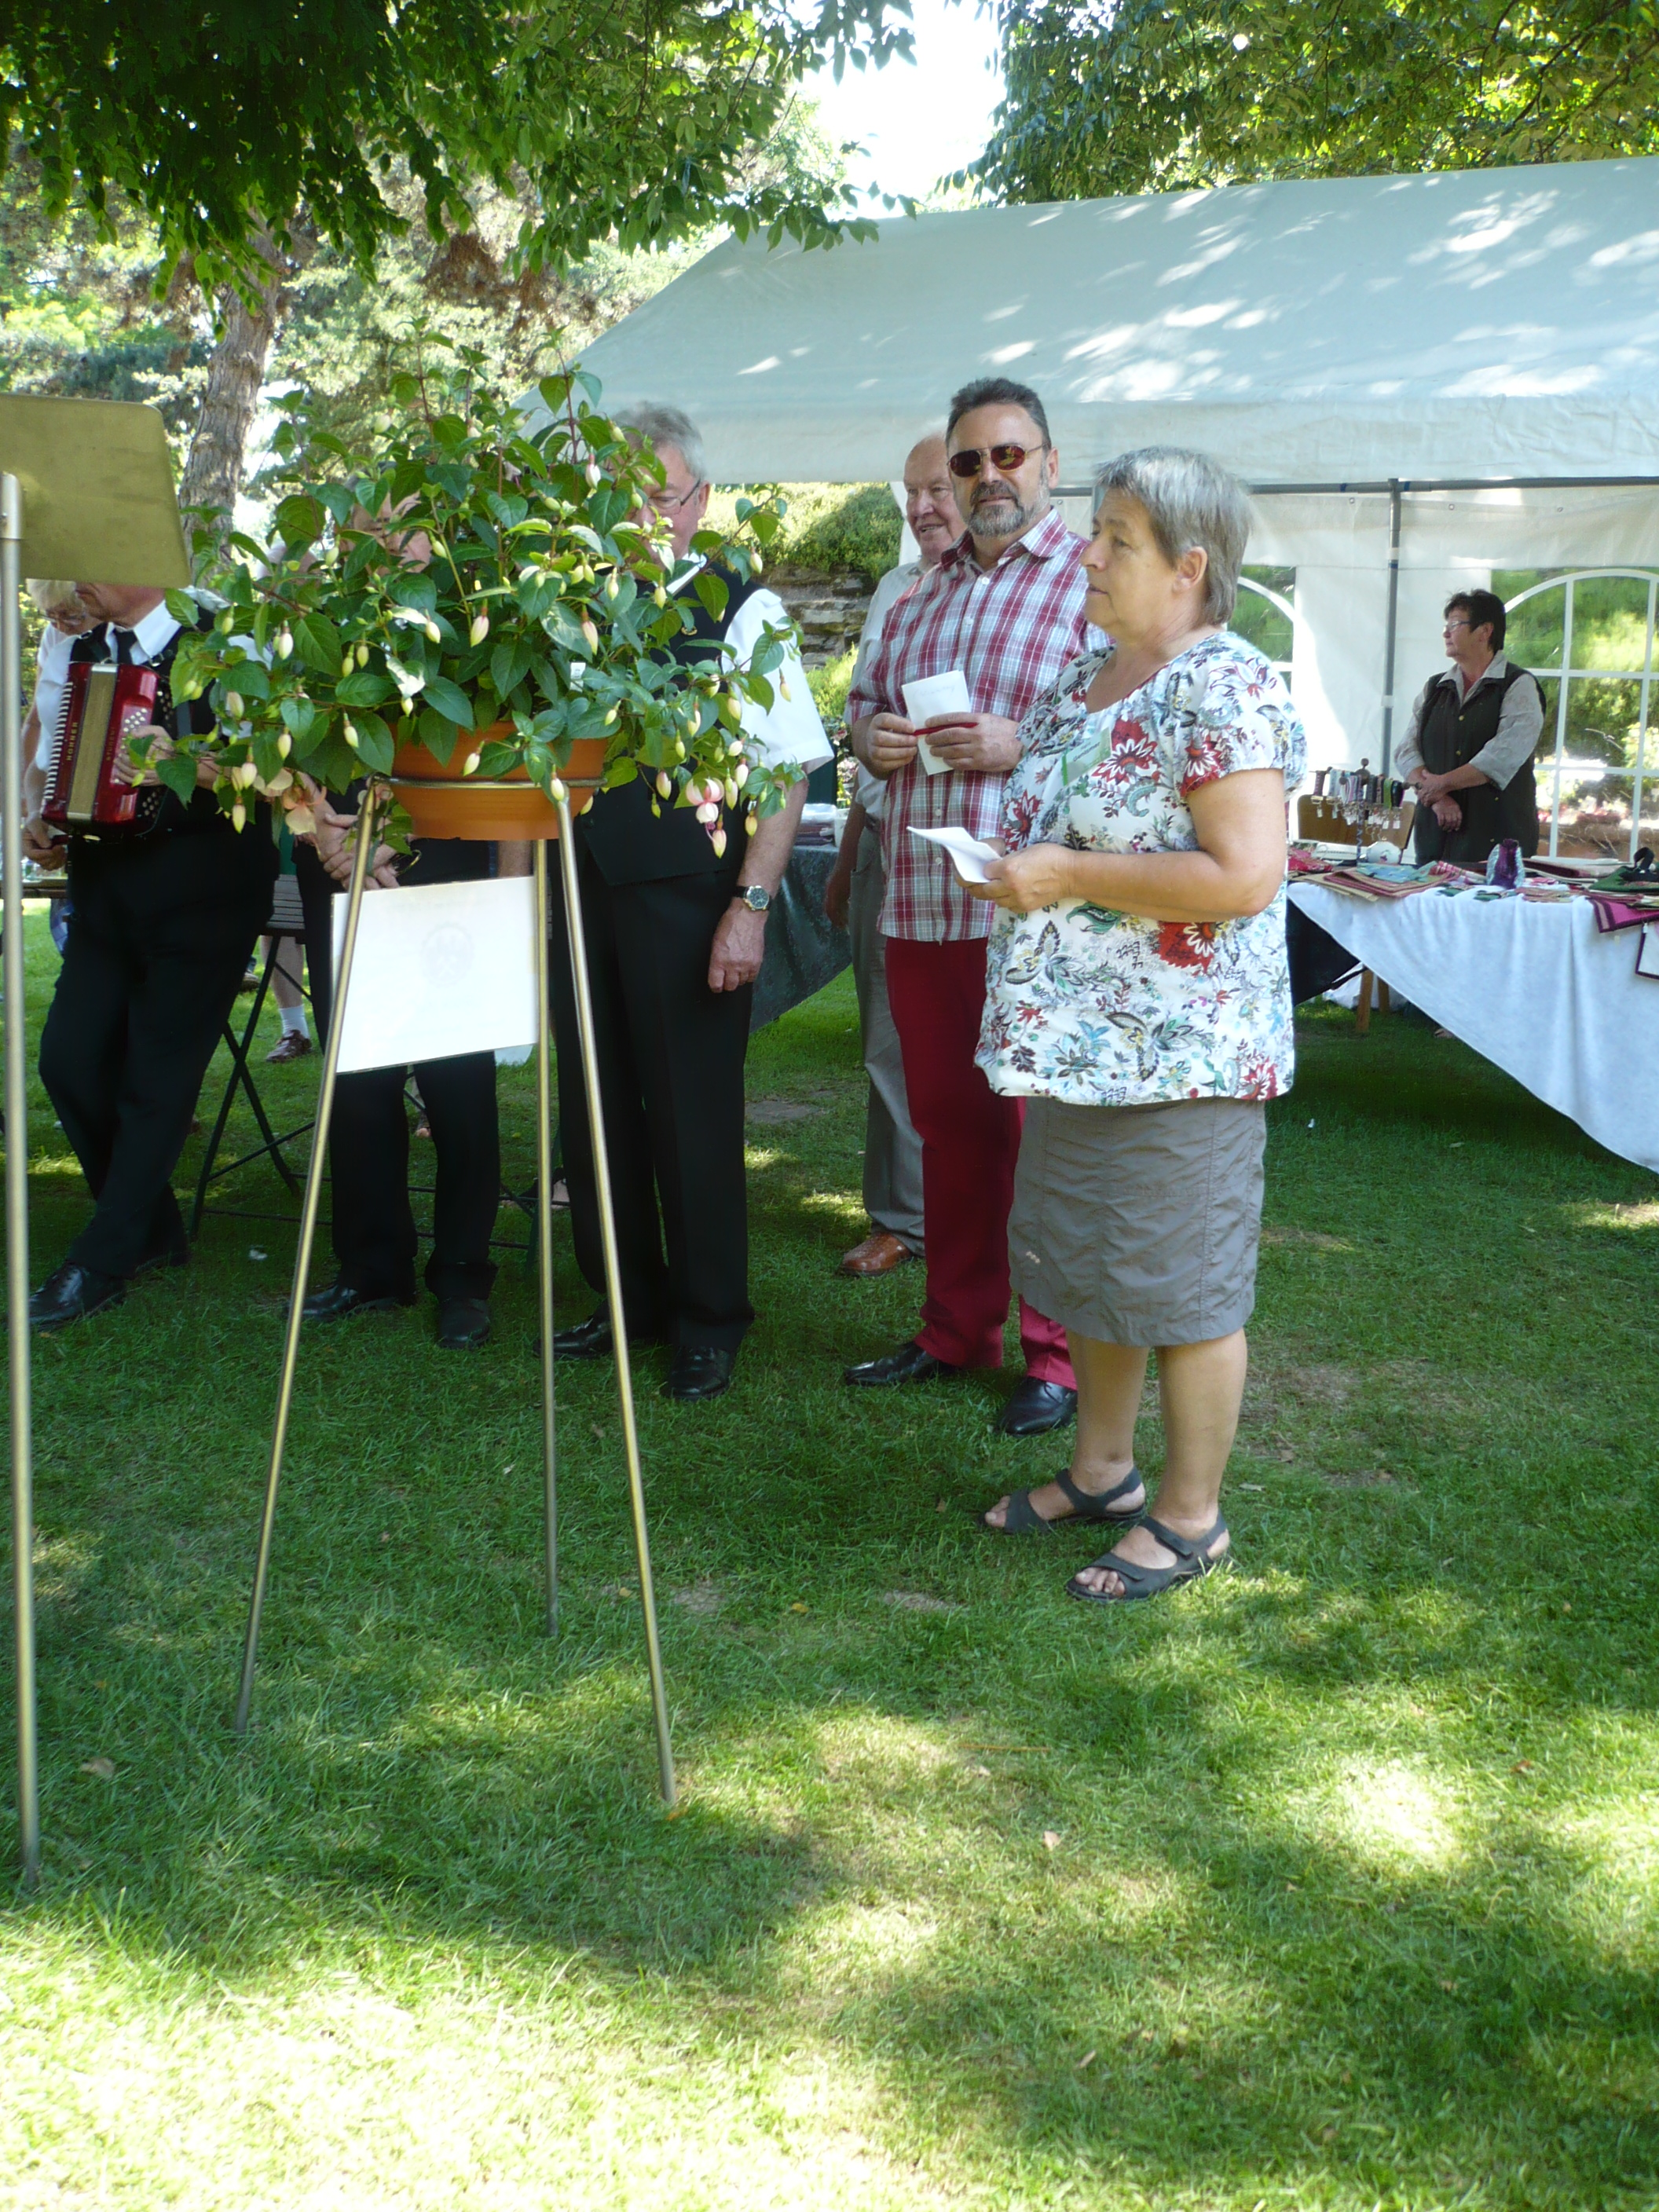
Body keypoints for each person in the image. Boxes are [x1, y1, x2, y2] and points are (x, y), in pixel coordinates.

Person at [973, 448, 1305, 1602]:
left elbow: (1244, 876)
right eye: (1097, 530)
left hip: (1184, 1053)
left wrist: (1065, 875)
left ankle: (1192, 1517)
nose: (1090, 554)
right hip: (1082, 1050)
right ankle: (1104, 1473)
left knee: (1185, 1288)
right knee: (1095, 1267)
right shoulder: (1082, 678)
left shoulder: (1226, 683)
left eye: (1119, 538)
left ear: (1189, 568)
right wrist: (1019, 869)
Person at [549, 401, 833, 1401]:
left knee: (691, 1115)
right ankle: (626, 1296)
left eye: (654, 496)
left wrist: (749, 904)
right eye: (608, 499)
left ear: (698, 500)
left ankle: (710, 1316)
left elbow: (787, 771)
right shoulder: (566, 608)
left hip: (688, 896)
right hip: (578, 889)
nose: (631, 518)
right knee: (592, 1106)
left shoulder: (740, 607)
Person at [841, 375, 1090, 1438]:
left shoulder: (1096, 578)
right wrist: (874, 741)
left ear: (1049, 463)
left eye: (1009, 455)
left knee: (1039, 1138)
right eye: (969, 460)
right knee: (948, 1131)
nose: (990, 477)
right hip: (921, 901)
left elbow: (1136, 731)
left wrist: (1020, 740)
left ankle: (1059, 1356)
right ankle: (954, 1329)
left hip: (1037, 912)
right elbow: (859, 712)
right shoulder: (919, 595)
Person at [24, 582, 278, 1328]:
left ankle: (102, 1259)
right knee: (67, 1062)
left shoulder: (227, 635)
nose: (75, 583)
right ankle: (151, 1227)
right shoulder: (85, 648)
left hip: (207, 890)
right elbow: (69, 759)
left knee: (154, 1081)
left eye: (92, 562)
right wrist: (44, 811)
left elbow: (277, 769)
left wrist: (188, 761)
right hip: (106, 888)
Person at [292, 804, 528, 1350]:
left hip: (448, 854)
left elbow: (504, 767)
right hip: (332, 865)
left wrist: (513, 892)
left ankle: (463, 1275)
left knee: (459, 1085)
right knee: (358, 1085)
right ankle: (372, 1270)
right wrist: (321, 832)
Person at [822, 433, 960, 1277]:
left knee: (976, 1043)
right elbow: (860, 728)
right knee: (887, 1038)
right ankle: (900, 1217)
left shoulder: (1016, 591)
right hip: (885, 838)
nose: (920, 507)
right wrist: (846, 856)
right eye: (911, 492)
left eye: (936, 488)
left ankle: (978, 1214)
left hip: (974, 849)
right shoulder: (892, 589)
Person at [1397, 590, 1543, 867]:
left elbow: (1503, 755)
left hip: (1496, 845)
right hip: (1435, 842)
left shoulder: (1518, 685)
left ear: (1485, 631)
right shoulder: (1434, 688)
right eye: (1446, 626)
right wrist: (1437, 797)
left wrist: (1442, 783)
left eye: (1455, 624)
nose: (1446, 633)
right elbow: (1406, 751)